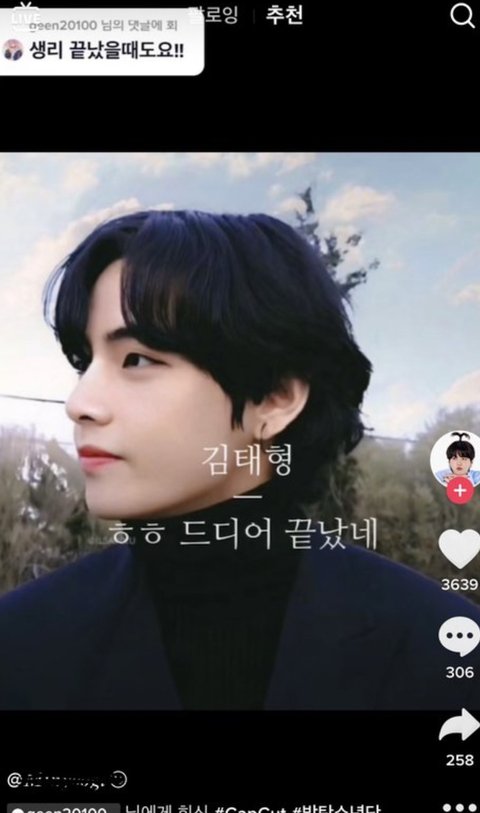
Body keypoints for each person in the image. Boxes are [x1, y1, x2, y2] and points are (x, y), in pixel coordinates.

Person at [1, 209, 480, 710]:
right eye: (84, 361)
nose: (80, 403)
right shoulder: (19, 646)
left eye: (137, 359)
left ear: (275, 398)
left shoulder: (440, 652)